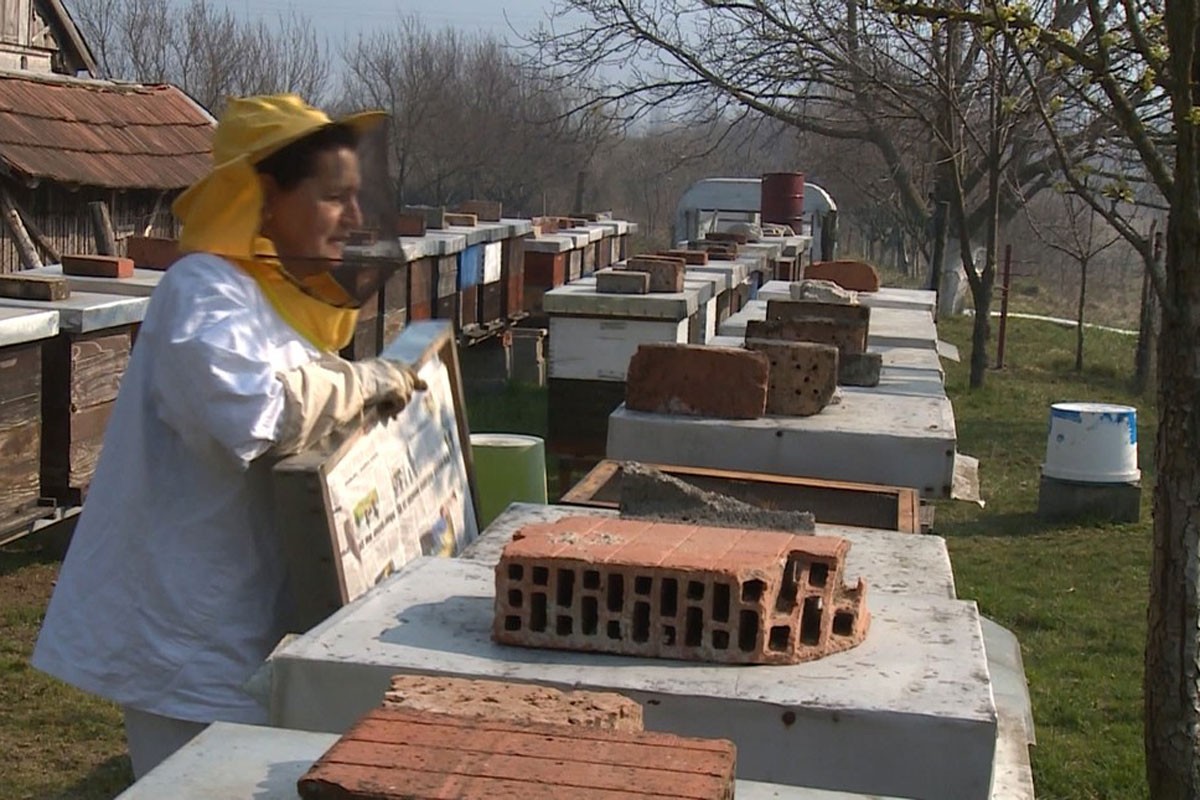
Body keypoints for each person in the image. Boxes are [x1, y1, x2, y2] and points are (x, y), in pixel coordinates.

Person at [31, 94, 424, 779]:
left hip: (246, 620)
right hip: (182, 633)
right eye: (334, 197)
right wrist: (361, 386)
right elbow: (253, 412)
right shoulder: (202, 290)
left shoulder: (270, 297)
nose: (355, 218)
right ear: (263, 199)